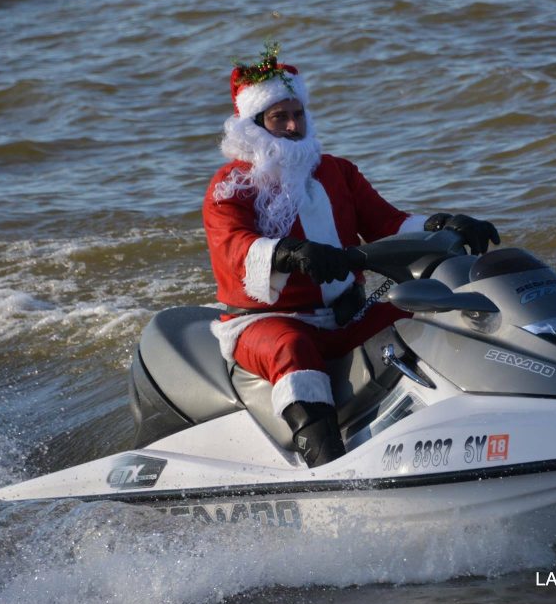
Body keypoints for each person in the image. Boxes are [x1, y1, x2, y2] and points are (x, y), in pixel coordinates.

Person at [202, 42, 499, 467]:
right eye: (279, 117)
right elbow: (233, 245)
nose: (293, 125)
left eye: (298, 114)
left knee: (429, 310)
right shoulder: (231, 185)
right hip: (266, 324)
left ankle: (481, 421)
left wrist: (444, 225)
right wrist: (289, 253)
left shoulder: (337, 171)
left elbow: (388, 223)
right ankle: (329, 470)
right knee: (292, 347)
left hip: (347, 315)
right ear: (254, 124)